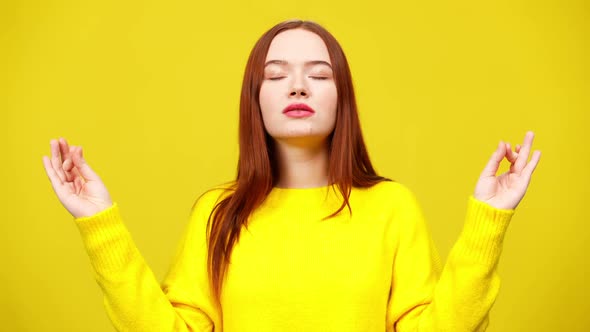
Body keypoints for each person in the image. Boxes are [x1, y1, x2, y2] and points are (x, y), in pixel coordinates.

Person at [42, 19, 541, 332]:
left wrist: (489, 220)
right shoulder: (217, 213)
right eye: (277, 75)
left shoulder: (392, 208)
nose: (298, 86)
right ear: (253, 101)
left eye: (319, 75)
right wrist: (100, 223)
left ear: (341, 97)